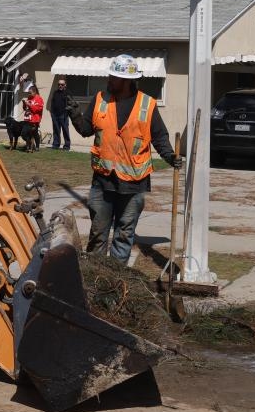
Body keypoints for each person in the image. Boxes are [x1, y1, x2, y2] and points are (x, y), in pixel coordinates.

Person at [68, 54, 181, 265]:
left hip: (134, 185)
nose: (109, 80)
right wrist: (75, 114)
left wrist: (170, 156)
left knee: (123, 235)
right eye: (110, 76)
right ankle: (95, 277)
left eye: (114, 77)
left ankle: (117, 280)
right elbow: (85, 130)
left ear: (127, 81)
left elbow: (159, 137)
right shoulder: (100, 99)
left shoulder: (147, 104)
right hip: (102, 182)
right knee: (98, 234)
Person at [47, 77, 72, 150]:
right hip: (55, 115)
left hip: (64, 115)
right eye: (59, 84)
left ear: (65, 85)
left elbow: (70, 104)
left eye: (62, 84)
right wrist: (52, 113)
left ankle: (67, 146)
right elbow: (52, 103)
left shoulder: (68, 93)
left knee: (65, 131)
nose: (60, 86)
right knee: (56, 131)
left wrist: (67, 113)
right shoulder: (55, 92)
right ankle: (56, 145)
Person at [21, 84, 44, 152]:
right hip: (27, 119)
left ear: (35, 92)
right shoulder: (29, 98)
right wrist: (24, 104)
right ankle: (30, 145)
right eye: (28, 93)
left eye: (30, 93)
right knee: (24, 133)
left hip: (35, 120)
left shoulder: (39, 99)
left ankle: (36, 147)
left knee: (34, 134)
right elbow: (25, 109)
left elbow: (37, 110)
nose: (29, 94)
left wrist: (29, 105)